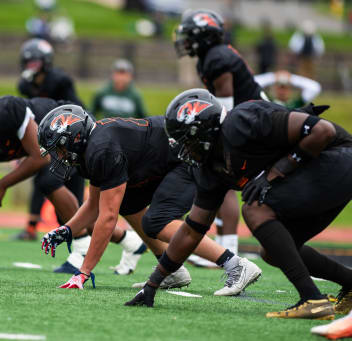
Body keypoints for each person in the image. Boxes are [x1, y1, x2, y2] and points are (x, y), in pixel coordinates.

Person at [126, 88, 352, 320]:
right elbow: (191, 231)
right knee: (274, 250)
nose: (185, 150)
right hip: (320, 173)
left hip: (338, 157)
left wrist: (273, 173)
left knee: (254, 209)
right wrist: (152, 284)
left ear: (204, 129)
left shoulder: (242, 121)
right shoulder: (209, 169)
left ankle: (312, 300)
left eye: (188, 140)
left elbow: (322, 130)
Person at [38, 104, 261, 294]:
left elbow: (107, 218)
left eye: (58, 148)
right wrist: (67, 230)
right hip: (164, 160)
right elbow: (94, 204)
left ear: (75, 137)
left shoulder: (101, 150)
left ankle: (236, 265)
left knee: (158, 220)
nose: (58, 156)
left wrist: (83, 272)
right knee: (128, 203)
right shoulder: (92, 149)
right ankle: (171, 269)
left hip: (184, 156)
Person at [0, 95, 145, 275]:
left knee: (48, 182)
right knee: (73, 213)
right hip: (53, 150)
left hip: (71, 132)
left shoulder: (4, 113)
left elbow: (40, 159)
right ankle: (130, 241)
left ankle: (82, 250)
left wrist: (2, 184)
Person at [173, 9, 268, 265]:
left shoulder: (217, 57)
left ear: (204, 36)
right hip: (248, 119)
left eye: (190, 35)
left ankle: (227, 249)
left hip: (253, 123)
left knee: (221, 177)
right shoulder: (211, 54)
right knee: (220, 179)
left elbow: (223, 105)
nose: (185, 41)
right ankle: (225, 249)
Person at [17, 38, 84, 244]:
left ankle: (81, 228)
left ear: (45, 62)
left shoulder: (60, 81)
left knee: (67, 180)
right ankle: (32, 226)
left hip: (72, 133)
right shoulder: (25, 85)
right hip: (47, 137)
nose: (31, 67)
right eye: (28, 63)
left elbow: (74, 108)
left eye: (35, 62)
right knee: (42, 176)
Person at [255, 70, 321, 110]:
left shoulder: (297, 103)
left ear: (290, 90)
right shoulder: (267, 101)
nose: (282, 92)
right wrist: (273, 77)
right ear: (274, 89)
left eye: (285, 88)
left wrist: (292, 78)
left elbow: (315, 87)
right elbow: (253, 83)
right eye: (280, 88)